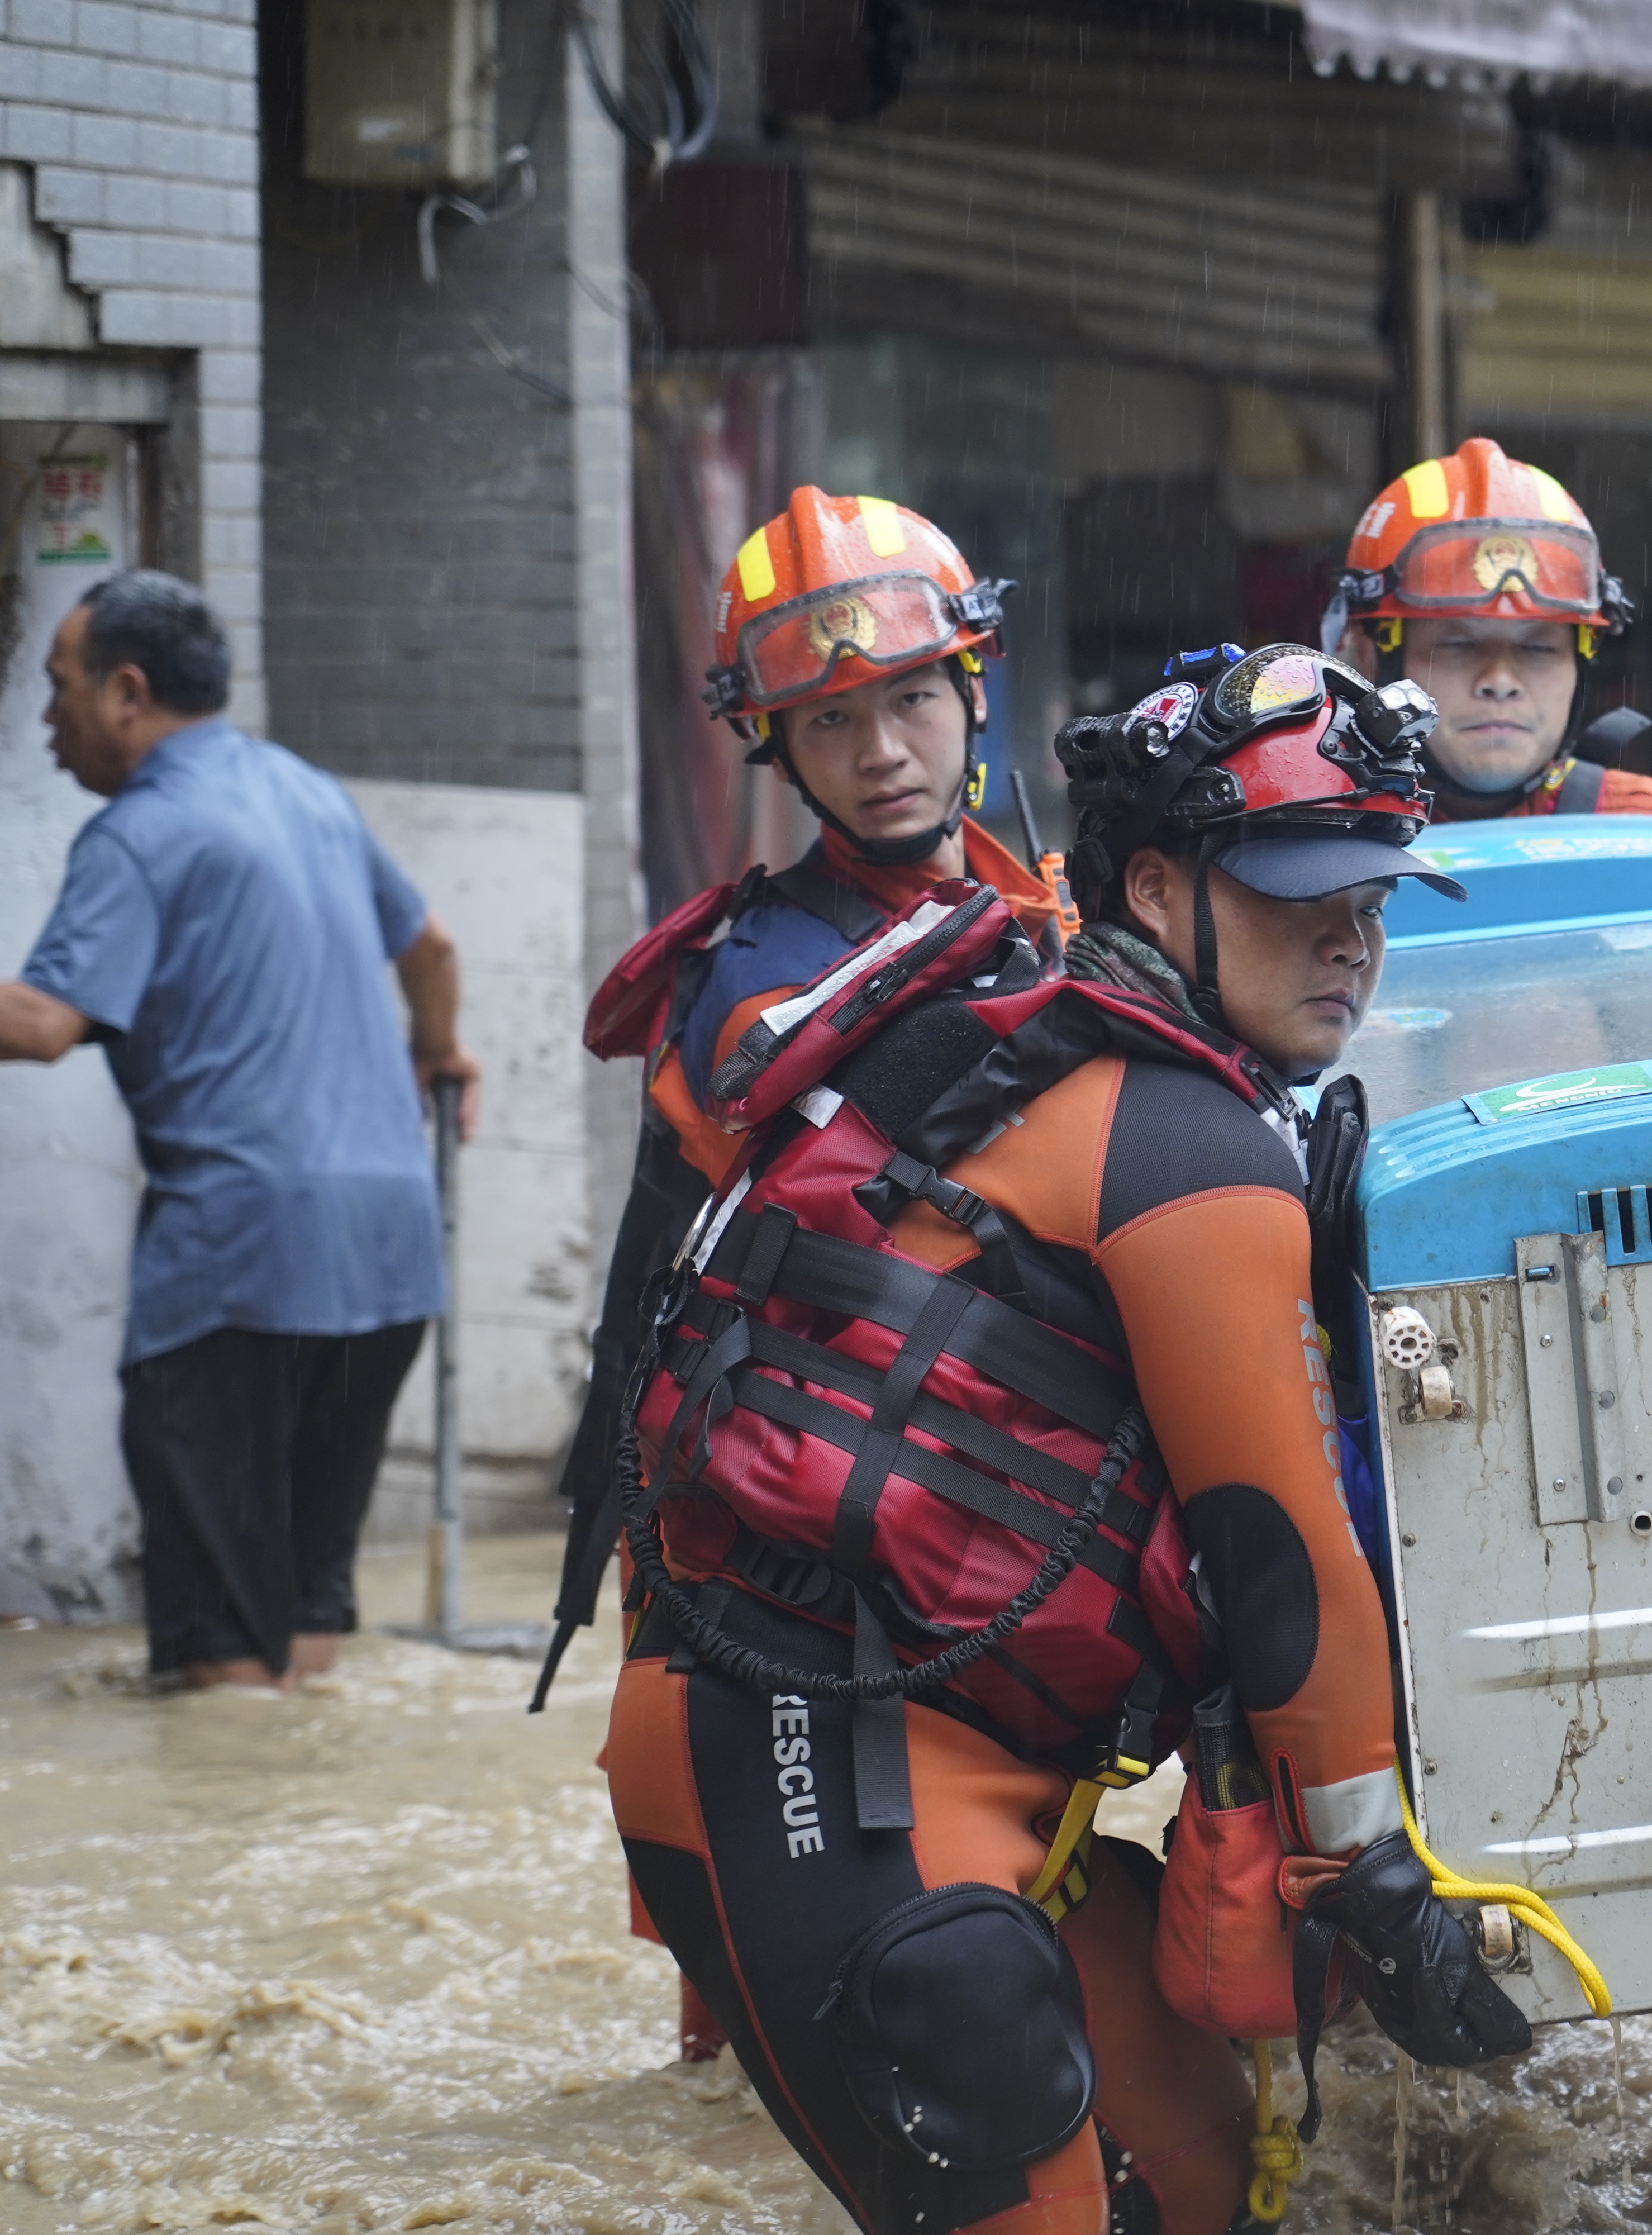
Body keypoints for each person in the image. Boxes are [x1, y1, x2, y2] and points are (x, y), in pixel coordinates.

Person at [597, 640, 1526, 2235]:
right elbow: (1280, 1560)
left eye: (1372, 901)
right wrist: (1377, 1885)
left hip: (910, 1747)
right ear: (1156, 893)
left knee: (1209, 2186)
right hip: (816, 1756)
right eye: (1301, 896)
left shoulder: (1047, 1031)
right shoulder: (1192, 1147)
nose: (1349, 942)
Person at [546, 488, 1062, 1678]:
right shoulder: (758, 978)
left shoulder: (1019, 901)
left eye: (913, 699)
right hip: (788, 1523)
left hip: (972, 1476)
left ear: (974, 690)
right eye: (830, 719)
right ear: (774, 745)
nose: (882, 751)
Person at [0, 569, 478, 1693]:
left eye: (58, 689)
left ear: (127, 692)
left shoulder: (138, 833)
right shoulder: (307, 791)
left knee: (223, 1650)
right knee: (304, 1603)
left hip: (240, 1270)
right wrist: (439, 1050)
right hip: (389, 1257)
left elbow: (45, 1021)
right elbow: (430, 945)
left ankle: (241, 1811)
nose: (46, 721)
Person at [1327, 436, 1652, 821]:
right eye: (1459, 644)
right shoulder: (1312, 836)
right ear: (1371, 659)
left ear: (1583, 659)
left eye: (1539, 649)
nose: (1500, 681)